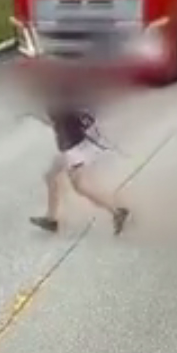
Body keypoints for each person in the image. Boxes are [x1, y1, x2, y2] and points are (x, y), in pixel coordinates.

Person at [27, 80, 131, 236]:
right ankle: (51, 219)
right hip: (77, 143)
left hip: (73, 147)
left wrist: (34, 115)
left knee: (79, 186)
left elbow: (54, 122)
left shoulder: (57, 101)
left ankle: (117, 211)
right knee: (51, 176)